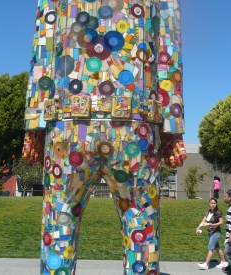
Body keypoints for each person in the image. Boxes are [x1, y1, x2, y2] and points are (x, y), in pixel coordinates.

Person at [22, 1, 186, 274]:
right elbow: (169, 47)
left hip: (68, 127)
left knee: (60, 223)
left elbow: (44, 39)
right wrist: (173, 125)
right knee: (140, 225)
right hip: (136, 129)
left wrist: (34, 124)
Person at [196, 198, 228, 270]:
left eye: (214, 203)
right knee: (217, 247)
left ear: (216, 204)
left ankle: (206, 264)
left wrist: (213, 225)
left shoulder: (218, 212)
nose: (213, 205)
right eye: (211, 203)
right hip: (210, 232)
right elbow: (203, 221)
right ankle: (223, 262)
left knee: (210, 247)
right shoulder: (207, 212)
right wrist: (198, 228)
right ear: (209, 203)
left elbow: (221, 222)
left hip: (216, 232)